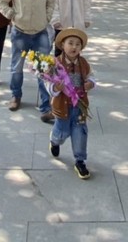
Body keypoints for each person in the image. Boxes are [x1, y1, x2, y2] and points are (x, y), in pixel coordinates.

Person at [0, 0, 56, 121]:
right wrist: (11, 15)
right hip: (20, 32)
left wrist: (46, 17)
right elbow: (1, 1)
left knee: (44, 70)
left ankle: (45, 105)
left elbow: (51, 1)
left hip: (40, 33)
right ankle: (16, 96)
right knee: (16, 67)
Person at [47, 27, 97, 180]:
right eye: (70, 43)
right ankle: (54, 141)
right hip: (62, 105)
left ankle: (80, 160)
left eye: (77, 44)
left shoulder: (84, 63)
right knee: (61, 132)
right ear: (62, 45)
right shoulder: (55, 64)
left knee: (80, 132)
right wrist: (55, 88)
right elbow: (47, 83)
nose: (74, 47)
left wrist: (91, 83)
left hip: (80, 106)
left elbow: (91, 76)